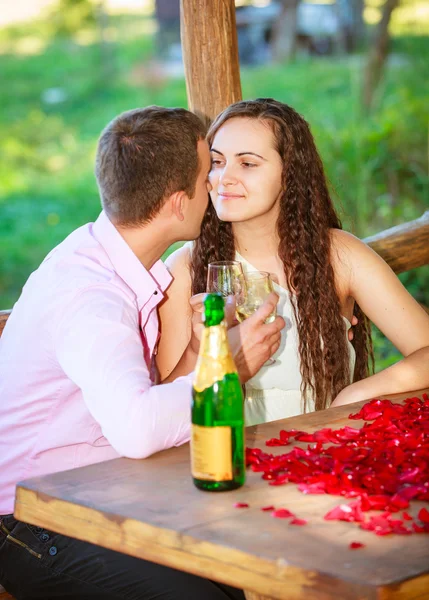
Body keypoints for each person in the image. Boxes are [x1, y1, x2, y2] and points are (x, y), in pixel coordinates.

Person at [0, 106, 284, 600]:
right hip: (29, 519)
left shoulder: (111, 258)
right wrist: (231, 366)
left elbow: (137, 401)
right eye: (208, 172)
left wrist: (201, 349)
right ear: (179, 203)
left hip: (103, 489)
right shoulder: (91, 295)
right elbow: (136, 429)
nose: (217, 183)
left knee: (255, 571)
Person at [157, 98, 429, 426]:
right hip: (225, 461)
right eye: (216, 162)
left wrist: (355, 396)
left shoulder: (339, 255)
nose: (224, 178)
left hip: (324, 454)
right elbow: (161, 408)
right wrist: (200, 351)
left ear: (290, 174)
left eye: (247, 163)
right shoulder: (186, 268)